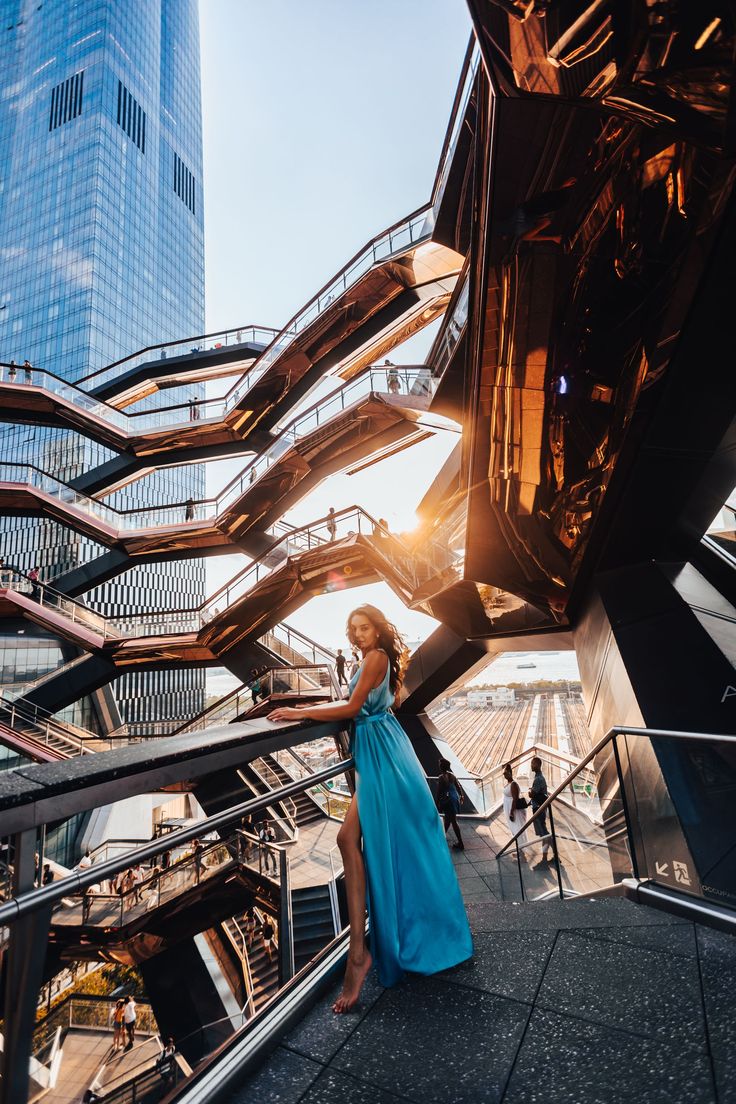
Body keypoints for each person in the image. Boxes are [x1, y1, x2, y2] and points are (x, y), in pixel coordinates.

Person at [269, 604, 472, 1013]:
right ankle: (362, 952)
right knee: (363, 842)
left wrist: (300, 711)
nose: (358, 634)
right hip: (380, 753)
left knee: (366, 842)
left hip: (386, 758)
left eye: (364, 627)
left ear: (378, 632)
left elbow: (350, 709)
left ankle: (362, 955)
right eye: (353, 628)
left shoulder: (376, 658)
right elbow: (370, 706)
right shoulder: (371, 661)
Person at [529, 755, 555, 864]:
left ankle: (545, 859)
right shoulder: (539, 777)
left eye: (533, 763)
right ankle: (554, 855)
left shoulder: (538, 779)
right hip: (540, 808)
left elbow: (532, 794)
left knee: (544, 834)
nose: (531, 765)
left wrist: (530, 792)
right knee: (544, 833)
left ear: (538, 765)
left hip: (538, 809)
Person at [437, 757, 465, 850]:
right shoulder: (452, 775)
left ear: (441, 767)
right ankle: (442, 837)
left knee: (452, 820)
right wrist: (461, 796)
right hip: (454, 799)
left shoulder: (441, 778)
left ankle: (460, 843)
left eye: (440, 764)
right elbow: (458, 787)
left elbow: (439, 792)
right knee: (449, 819)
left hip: (448, 800)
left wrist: (437, 804)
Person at [502, 763, 528, 846]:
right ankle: (519, 847)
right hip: (509, 808)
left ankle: (521, 847)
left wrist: (511, 812)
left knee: (517, 828)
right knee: (513, 828)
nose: (505, 775)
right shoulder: (509, 783)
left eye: (506, 773)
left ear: (510, 772)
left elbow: (515, 799)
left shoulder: (513, 784)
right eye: (504, 773)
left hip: (514, 810)